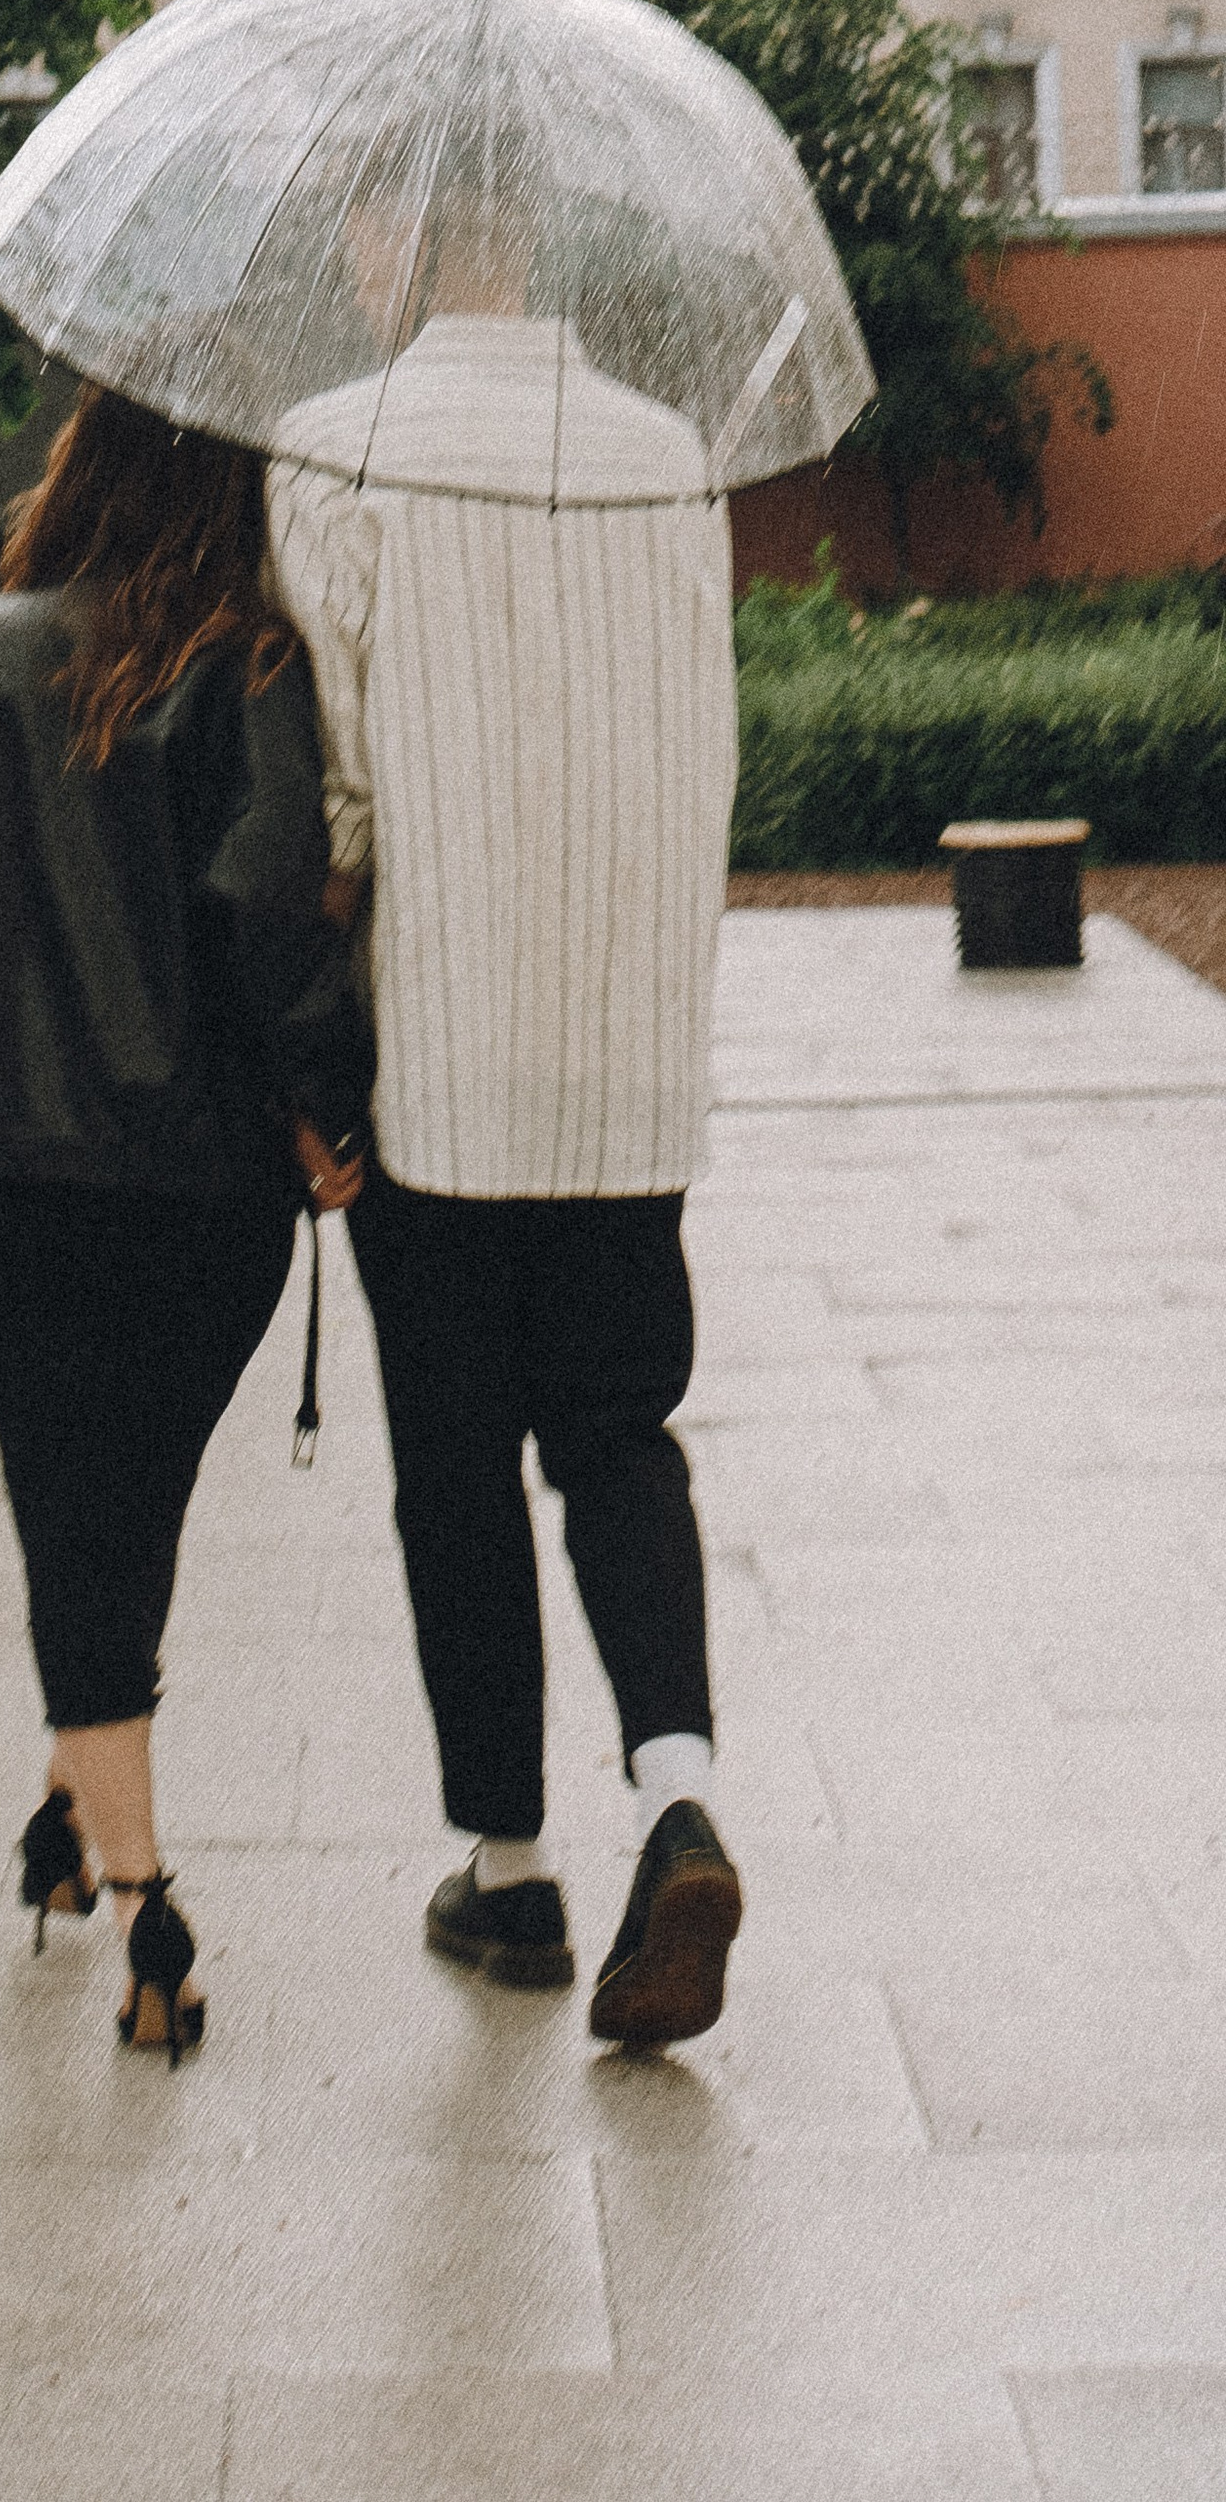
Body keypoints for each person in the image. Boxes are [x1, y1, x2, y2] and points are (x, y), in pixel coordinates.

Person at [267, 299, 745, 2049]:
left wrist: (307, 1045)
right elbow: (709, 734)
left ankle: (514, 1865)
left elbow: (341, 790)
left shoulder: (339, 444)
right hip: (626, 1061)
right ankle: (681, 1795)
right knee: (620, 1436)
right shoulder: (671, 456)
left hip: (441, 1058)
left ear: (398, 229)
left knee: (456, 1468)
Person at [0, 383, 372, 2063]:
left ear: (80, 474)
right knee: (128, 1503)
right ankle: (141, 1889)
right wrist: (334, 1104)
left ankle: (81, 1819)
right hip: (201, 1189)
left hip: (10, 1179)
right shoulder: (250, 671)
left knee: (70, 1510)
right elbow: (265, 920)